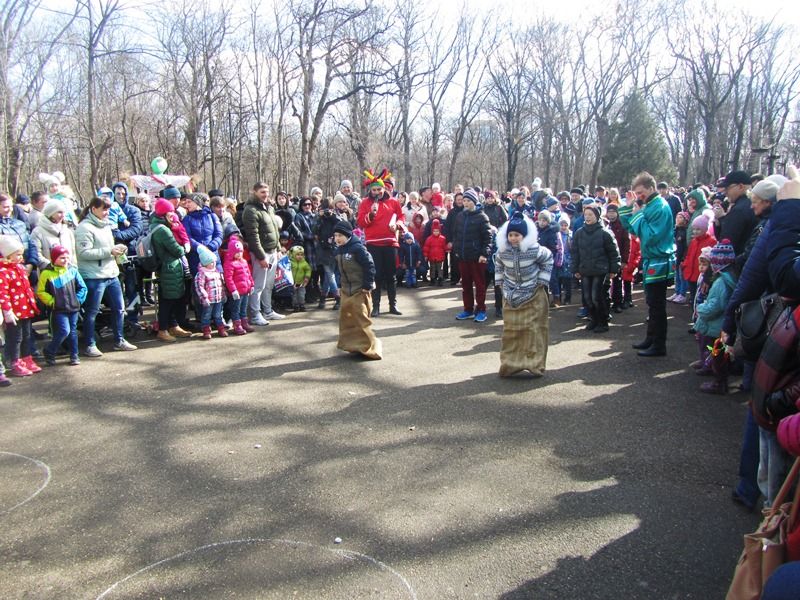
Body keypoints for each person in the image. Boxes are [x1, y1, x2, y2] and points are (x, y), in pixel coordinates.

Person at [620, 172, 676, 357]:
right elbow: (632, 228)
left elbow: (651, 235)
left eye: (641, 192)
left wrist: (637, 215)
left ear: (651, 188)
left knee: (657, 305)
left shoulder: (660, 206)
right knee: (652, 303)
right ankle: (651, 338)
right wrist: (629, 209)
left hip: (659, 259)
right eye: (636, 193)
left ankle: (659, 345)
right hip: (652, 259)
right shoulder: (650, 205)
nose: (639, 196)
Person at [75, 196, 137, 356]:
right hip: (93, 276)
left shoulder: (106, 226)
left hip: (111, 273)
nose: (107, 212)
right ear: (93, 209)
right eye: (104, 209)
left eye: (108, 209)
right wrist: (109, 251)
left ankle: (119, 340)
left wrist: (117, 249)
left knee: (119, 308)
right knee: (92, 311)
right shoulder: (84, 228)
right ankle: (90, 344)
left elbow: (107, 248)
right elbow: (83, 252)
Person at [494, 213, 554, 377]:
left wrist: (542, 279)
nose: (513, 238)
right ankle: (510, 364)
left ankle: (534, 364)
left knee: (533, 330)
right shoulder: (503, 251)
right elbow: (498, 265)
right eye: (511, 235)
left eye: (517, 235)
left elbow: (548, 259)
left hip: (532, 292)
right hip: (510, 293)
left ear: (524, 235)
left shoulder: (535, 249)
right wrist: (499, 281)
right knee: (511, 331)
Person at [356, 169, 404, 317]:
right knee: (376, 276)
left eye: (379, 189)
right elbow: (360, 222)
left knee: (391, 276)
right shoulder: (365, 203)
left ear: (384, 188)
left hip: (390, 242)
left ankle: (392, 305)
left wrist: (397, 225)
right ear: (370, 190)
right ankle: (375, 306)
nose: (377, 192)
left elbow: (401, 217)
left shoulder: (393, 202)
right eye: (374, 190)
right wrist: (371, 214)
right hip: (373, 243)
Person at [693, 239, 738, 395]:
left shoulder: (720, 283)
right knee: (719, 354)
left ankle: (719, 383)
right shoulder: (729, 278)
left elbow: (715, 306)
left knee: (717, 355)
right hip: (721, 325)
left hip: (716, 326)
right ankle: (717, 375)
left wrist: (700, 308)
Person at [333, 220, 381, 360]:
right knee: (346, 317)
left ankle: (369, 347)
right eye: (335, 236)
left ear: (348, 235)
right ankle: (352, 345)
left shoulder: (358, 249)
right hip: (346, 289)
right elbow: (338, 271)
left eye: (340, 236)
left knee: (360, 317)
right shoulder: (338, 250)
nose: (337, 239)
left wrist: (367, 284)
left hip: (360, 289)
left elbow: (369, 266)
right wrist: (338, 285)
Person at [572, 203, 620, 333]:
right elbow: (575, 253)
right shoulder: (579, 233)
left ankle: (603, 321)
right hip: (585, 270)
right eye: (585, 215)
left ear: (597, 216)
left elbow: (614, 253)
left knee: (597, 297)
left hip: (601, 270)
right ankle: (593, 319)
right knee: (587, 298)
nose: (587, 217)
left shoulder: (605, 233)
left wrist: (613, 270)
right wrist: (575, 269)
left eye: (590, 215)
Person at [36, 245, 86, 366]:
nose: (65, 260)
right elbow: (41, 291)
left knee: (73, 332)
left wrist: (78, 300)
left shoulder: (72, 271)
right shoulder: (46, 273)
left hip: (73, 307)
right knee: (64, 331)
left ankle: (74, 355)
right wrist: (52, 302)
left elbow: (82, 287)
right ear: (54, 258)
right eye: (62, 258)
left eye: (67, 257)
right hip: (58, 309)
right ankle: (50, 350)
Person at [242, 182, 283, 325]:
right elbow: (253, 236)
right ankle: (254, 314)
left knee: (268, 285)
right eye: (262, 192)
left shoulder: (269, 208)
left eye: (267, 191)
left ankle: (268, 310)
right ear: (254, 192)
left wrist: (278, 248)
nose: (265, 195)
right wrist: (261, 257)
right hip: (261, 253)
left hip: (273, 251)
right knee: (258, 285)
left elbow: (274, 230)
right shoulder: (250, 210)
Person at [149, 199, 190, 342]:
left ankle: (173, 325)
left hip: (169, 267)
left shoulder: (158, 226)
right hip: (169, 268)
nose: (173, 214)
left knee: (172, 298)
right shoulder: (163, 230)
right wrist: (184, 247)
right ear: (164, 214)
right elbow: (177, 250)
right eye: (170, 212)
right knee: (167, 300)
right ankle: (163, 329)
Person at [0, 235, 40, 376]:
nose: (21, 257)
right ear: (8, 255)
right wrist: (7, 311)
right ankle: (14, 361)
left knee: (27, 335)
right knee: (16, 338)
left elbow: (26, 288)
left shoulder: (19, 268)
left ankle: (26, 358)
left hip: (25, 309)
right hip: (14, 312)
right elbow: (3, 293)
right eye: (17, 254)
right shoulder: (3, 272)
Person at [452, 189, 493, 323]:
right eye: (464, 200)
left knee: (480, 285)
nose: (465, 203)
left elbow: (488, 238)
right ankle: (468, 309)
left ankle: (481, 310)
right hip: (463, 257)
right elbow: (456, 235)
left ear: (474, 202)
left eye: (468, 200)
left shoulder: (482, 217)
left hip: (477, 258)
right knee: (466, 286)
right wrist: (456, 250)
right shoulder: (460, 216)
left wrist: (484, 254)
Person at [30, 199, 76, 270]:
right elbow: (37, 255)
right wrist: (53, 267)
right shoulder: (38, 232)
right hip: (49, 273)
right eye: (59, 212)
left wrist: (74, 269)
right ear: (50, 213)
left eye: (64, 212)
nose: (63, 215)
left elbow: (73, 254)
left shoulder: (67, 232)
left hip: (68, 273)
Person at [680, 214, 716, 304]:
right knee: (693, 298)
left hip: (702, 276)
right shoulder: (694, 241)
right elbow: (688, 255)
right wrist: (685, 265)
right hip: (691, 274)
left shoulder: (712, 242)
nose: (695, 231)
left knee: (701, 299)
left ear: (705, 229)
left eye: (698, 229)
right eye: (694, 229)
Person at [194, 245, 227, 340]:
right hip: (208, 300)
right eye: (211, 262)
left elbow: (221, 284)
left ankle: (221, 328)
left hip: (218, 299)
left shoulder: (216, 272)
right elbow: (199, 287)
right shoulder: (202, 273)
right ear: (205, 263)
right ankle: (206, 329)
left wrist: (223, 295)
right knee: (206, 315)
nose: (213, 264)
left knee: (218, 315)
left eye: (214, 262)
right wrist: (204, 298)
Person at [222, 236, 254, 335]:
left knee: (243, 308)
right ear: (232, 252)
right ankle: (237, 325)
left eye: (241, 252)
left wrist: (251, 285)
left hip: (245, 291)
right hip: (237, 292)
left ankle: (244, 323)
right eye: (237, 252)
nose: (239, 254)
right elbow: (228, 278)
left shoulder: (244, 262)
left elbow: (248, 274)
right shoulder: (229, 263)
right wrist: (233, 290)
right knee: (236, 309)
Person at [605, 204, 630, 313]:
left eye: (613, 212)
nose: (611, 214)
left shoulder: (622, 225)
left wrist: (624, 260)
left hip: (618, 257)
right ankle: (606, 302)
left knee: (617, 281)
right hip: (605, 258)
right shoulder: (605, 224)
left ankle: (617, 303)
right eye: (609, 212)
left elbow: (627, 244)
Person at [669, 211, 690, 304]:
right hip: (676, 257)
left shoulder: (685, 232)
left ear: (685, 220)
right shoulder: (676, 230)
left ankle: (682, 294)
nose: (677, 219)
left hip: (682, 258)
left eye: (680, 217)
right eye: (677, 217)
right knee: (677, 276)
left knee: (682, 277)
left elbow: (686, 246)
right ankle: (677, 292)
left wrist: (683, 258)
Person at [423, 219, 447, 286]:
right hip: (432, 257)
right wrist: (425, 255)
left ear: (439, 231)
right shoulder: (429, 239)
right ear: (432, 231)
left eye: (437, 231)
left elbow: (444, 247)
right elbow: (426, 247)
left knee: (440, 269)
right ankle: (432, 279)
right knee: (432, 269)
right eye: (434, 231)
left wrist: (447, 249)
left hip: (440, 257)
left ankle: (440, 279)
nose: (436, 232)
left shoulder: (443, 238)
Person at [289, 245, 312, 311]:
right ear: (293, 255)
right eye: (298, 254)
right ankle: (295, 306)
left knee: (301, 295)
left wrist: (307, 277)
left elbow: (308, 270)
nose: (300, 256)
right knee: (294, 295)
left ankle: (302, 305)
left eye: (301, 255)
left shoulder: (304, 263)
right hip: (292, 283)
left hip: (302, 283)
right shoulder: (290, 262)